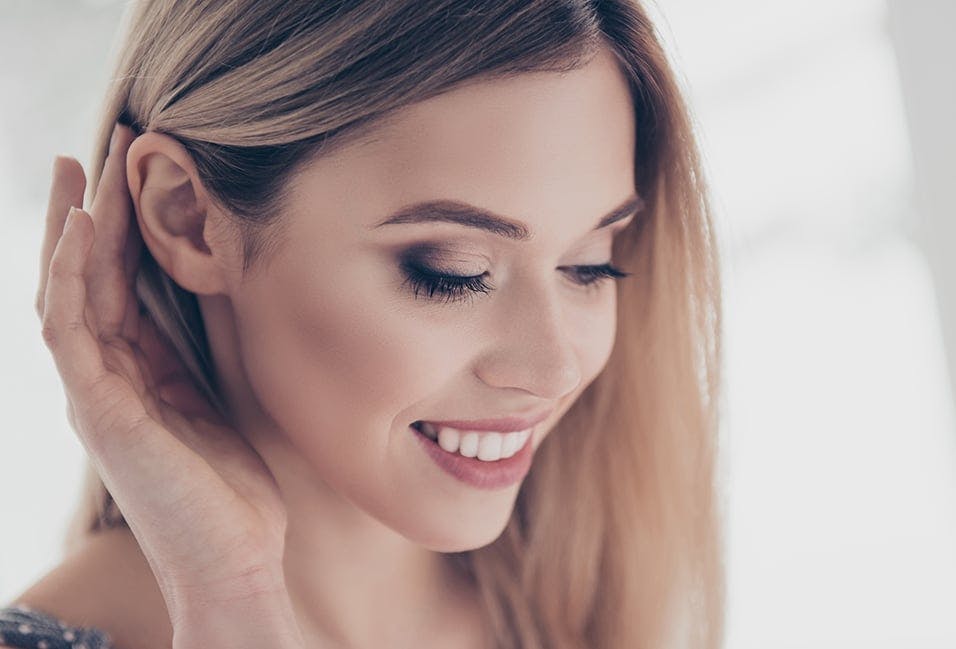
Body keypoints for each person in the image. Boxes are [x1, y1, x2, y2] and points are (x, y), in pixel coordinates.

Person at [0, 1, 724, 648]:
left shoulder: (597, 613)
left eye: (590, 266)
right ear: (186, 217)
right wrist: (232, 602)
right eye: (454, 270)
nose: (555, 368)